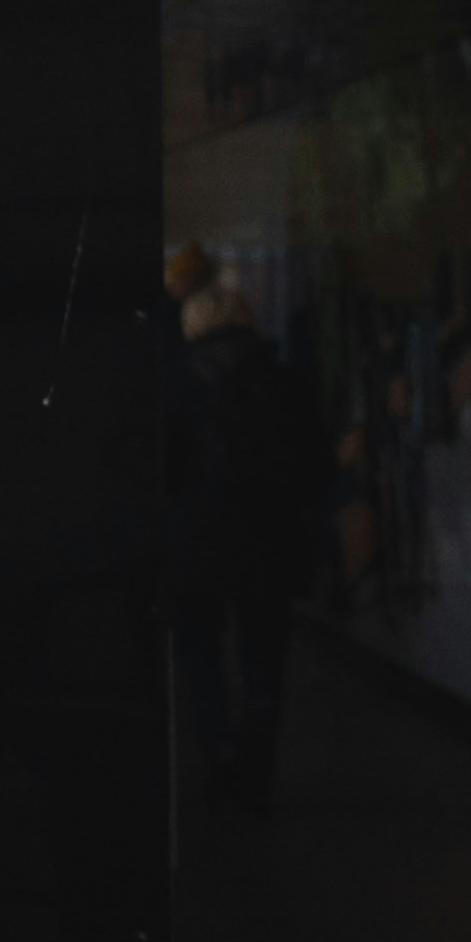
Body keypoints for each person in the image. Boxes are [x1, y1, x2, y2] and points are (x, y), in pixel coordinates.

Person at [166, 247, 321, 805]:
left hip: (194, 545)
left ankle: (218, 754)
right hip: (267, 545)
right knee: (263, 660)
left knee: (198, 653)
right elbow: (313, 464)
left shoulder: (173, 386)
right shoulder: (281, 382)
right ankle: (258, 763)